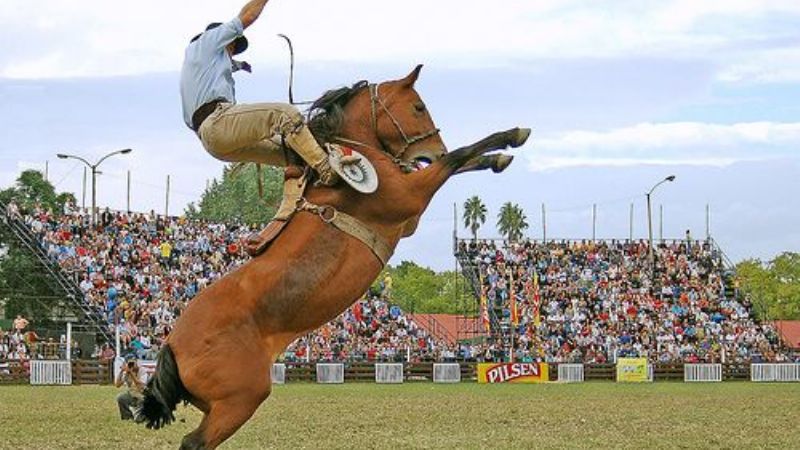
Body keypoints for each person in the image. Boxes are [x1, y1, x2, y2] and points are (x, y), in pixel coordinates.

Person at [180, 0, 359, 188]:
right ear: (223, 39)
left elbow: (227, 66)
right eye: (232, 46)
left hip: (214, 144)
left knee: (290, 151)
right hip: (217, 124)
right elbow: (247, 17)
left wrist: (241, 66)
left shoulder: (200, 64)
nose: (232, 52)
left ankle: (313, 190)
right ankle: (326, 169)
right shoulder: (207, 42)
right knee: (285, 114)